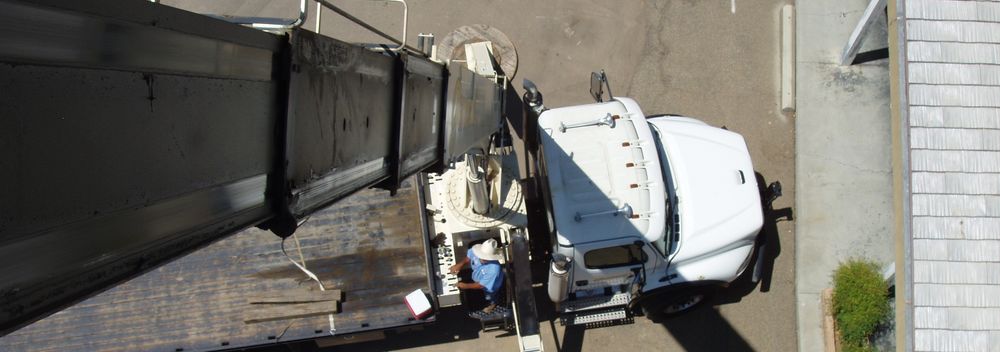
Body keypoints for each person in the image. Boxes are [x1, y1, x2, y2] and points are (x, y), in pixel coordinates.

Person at [449, 238, 504, 313]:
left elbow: (481, 285)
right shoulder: (474, 251)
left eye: (487, 258)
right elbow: (468, 258)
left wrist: (465, 286)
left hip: (489, 287)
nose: (483, 259)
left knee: (490, 297)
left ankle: (493, 304)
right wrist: (459, 265)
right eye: (482, 256)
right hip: (476, 276)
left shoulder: (494, 269)